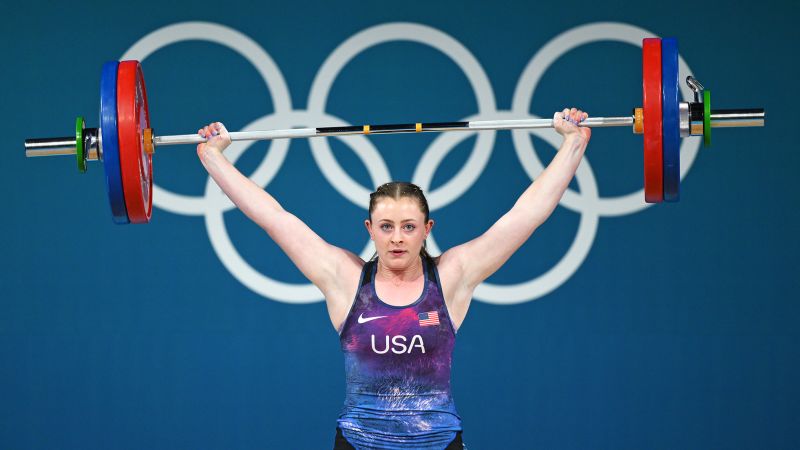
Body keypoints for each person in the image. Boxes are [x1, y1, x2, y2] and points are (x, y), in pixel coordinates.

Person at [196, 108, 591, 450]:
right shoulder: (345, 279)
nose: (397, 238)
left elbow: (525, 216)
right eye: (386, 226)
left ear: (427, 228)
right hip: (357, 442)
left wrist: (573, 144)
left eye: (408, 226)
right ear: (370, 229)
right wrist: (214, 158)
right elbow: (273, 217)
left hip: (439, 442)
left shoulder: (452, 277)